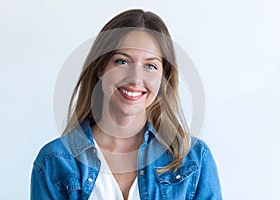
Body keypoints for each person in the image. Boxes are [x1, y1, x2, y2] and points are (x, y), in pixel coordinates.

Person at [30, 9, 222, 200]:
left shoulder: (194, 161)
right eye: (122, 61)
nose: (136, 78)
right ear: (100, 68)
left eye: (150, 66)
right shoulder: (54, 162)